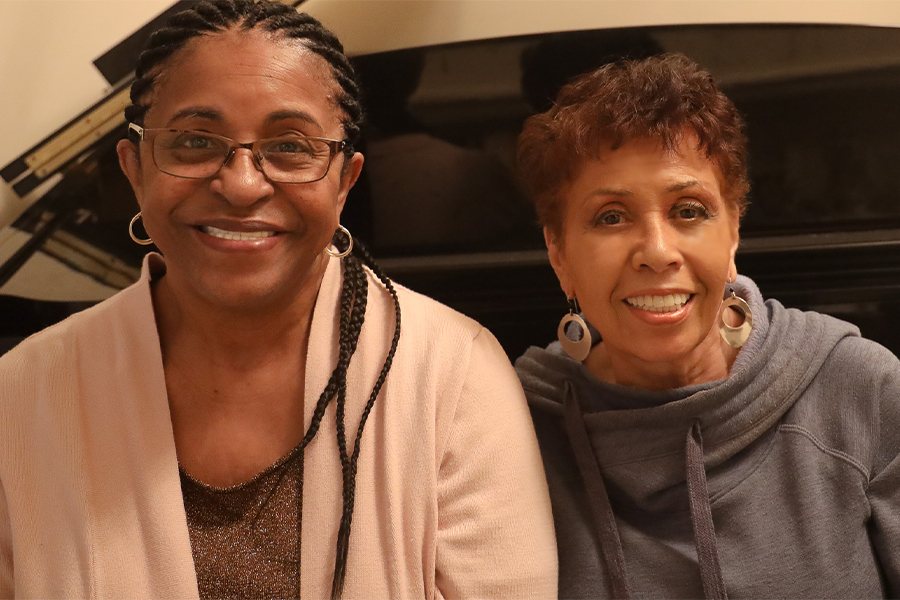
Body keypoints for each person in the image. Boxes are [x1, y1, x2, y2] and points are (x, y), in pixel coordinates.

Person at [0, 2, 557, 598]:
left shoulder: (454, 373)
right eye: (193, 141)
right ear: (135, 169)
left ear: (345, 179)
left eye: (291, 146)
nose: (241, 184)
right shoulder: (26, 393)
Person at [515, 53, 900, 599]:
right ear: (559, 254)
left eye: (689, 210)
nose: (656, 251)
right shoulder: (512, 424)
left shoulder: (858, 390)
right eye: (611, 217)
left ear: (734, 231)